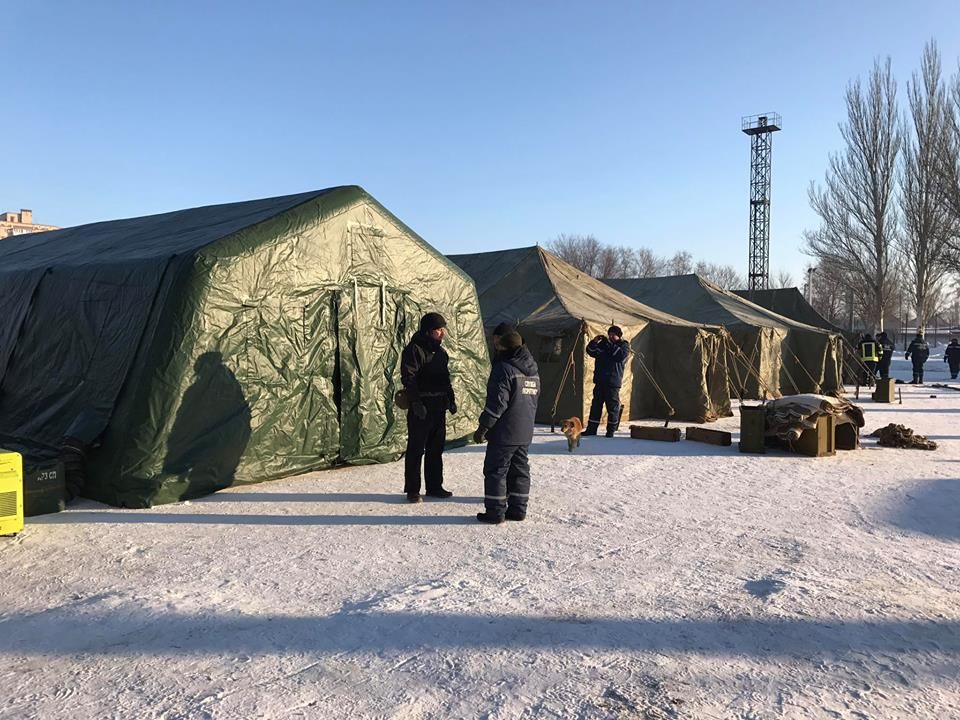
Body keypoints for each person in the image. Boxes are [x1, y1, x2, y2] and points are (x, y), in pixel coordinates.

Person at [473, 330, 540, 524]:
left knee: (496, 470)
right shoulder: (533, 370)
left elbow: (497, 403)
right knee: (520, 469)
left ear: (504, 346)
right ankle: (518, 510)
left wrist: (484, 426)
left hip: (504, 431)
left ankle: (495, 512)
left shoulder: (504, 369)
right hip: (524, 430)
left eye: (498, 344)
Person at [400, 312, 456, 502]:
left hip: (438, 407)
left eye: (442, 330)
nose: (442, 334)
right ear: (428, 331)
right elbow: (409, 378)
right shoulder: (414, 350)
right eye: (438, 330)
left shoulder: (441, 353)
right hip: (421, 408)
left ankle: (434, 486)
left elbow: (445, 379)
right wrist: (416, 402)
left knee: (435, 449)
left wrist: (451, 398)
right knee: (416, 449)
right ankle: (413, 489)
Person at [584, 326, 629, 437]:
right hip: (600, 381)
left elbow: (619, 356)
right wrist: (594, 342)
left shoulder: (623, 345)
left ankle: (610, 430)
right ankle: (591, 429)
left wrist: (608, 345)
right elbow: (590, 351)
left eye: (613, 334)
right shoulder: (603, 346)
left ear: (619, 335)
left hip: (613, 382)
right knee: (596, 406)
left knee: (612, 408)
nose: (611, 336)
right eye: (610, 334)